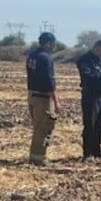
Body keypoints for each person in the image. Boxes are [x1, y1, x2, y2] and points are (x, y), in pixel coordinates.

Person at [25, 32, 60, 165]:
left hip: (32, 94)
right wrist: (56, 101)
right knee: (43, 128)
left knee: (37, 127)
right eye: (53, 44)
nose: (53, 47)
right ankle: (38, 158)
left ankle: (36, 156)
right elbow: (49, 81)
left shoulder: (32, 56)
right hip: (42, 97)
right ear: (48, 43)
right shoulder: (46, 58)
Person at [76, 39, 101, 160]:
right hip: (90, 95)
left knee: (99, 125)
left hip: (100, 96)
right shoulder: (85, 60)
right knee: (90, 124)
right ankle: (88, 152)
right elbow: (87, 77)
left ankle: (97, 151)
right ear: (96, 47)